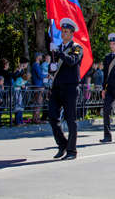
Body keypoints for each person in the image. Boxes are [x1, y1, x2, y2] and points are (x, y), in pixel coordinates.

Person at [49, 18, 83, 160]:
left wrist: (59, 53)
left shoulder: (76, 48)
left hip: (70, 87)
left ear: (71, 34)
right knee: (52, 117)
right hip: (57, 87)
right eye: (62, 31)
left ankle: (71, 151)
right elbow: (55, 68)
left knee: (70, 119)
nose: (63, 34)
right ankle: (62, 144)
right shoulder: (57, 49)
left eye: (66, 32)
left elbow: (72, 61)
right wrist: (51, 69)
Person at [31, 52, 45, 124]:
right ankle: (36, 119)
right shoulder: (36, 65)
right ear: (37, 57)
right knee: (38, 102)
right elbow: (40, 75)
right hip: (38, 86)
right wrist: (46, 76)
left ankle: (36, 118)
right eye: (40, 56)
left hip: (38, 85)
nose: (41, 57)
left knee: (38, 102)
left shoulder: (37, 65)